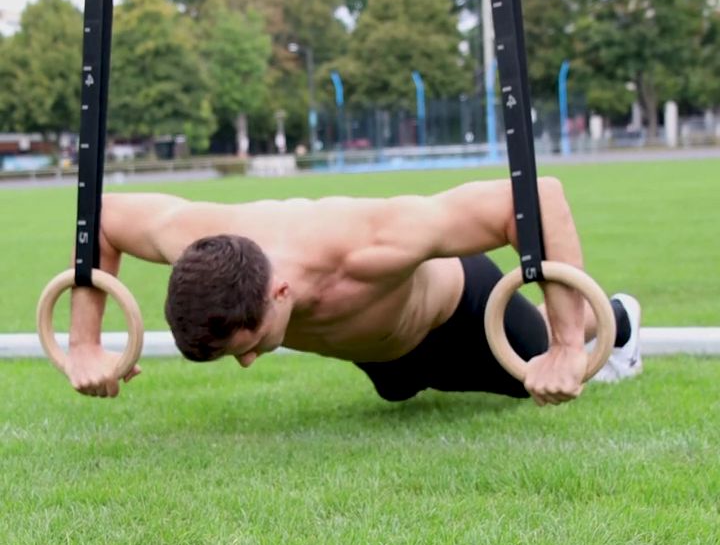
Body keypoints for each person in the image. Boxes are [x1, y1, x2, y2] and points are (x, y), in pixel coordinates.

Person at [67, 177, 642, 404]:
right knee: (396, 390)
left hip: (454, 315)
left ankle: (620, 323)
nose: (246, 362)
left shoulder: (372, 246)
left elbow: (540, 198)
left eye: (247, 344)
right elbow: (104, 215)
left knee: (535, 361)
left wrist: (567, 347)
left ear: (280, 292)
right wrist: (84, 342)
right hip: (377, 351)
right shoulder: (186, 237)